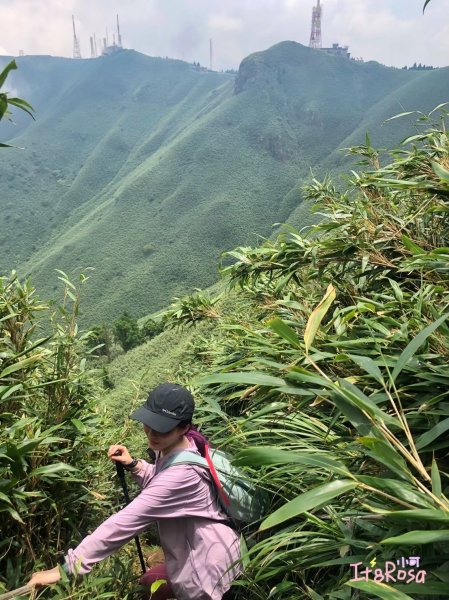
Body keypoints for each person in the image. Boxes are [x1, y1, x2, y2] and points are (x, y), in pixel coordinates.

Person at [28, 382, 241, 600]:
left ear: (184, 427)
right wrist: (134, 465)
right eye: (149, 423)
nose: (152, 433)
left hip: (206, 572)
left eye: (162, 427)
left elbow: (126, 521)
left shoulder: (183, 474)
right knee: (150, 581)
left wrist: (68, 568)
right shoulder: (180, 446)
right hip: (202, 551)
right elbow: (162, 482)